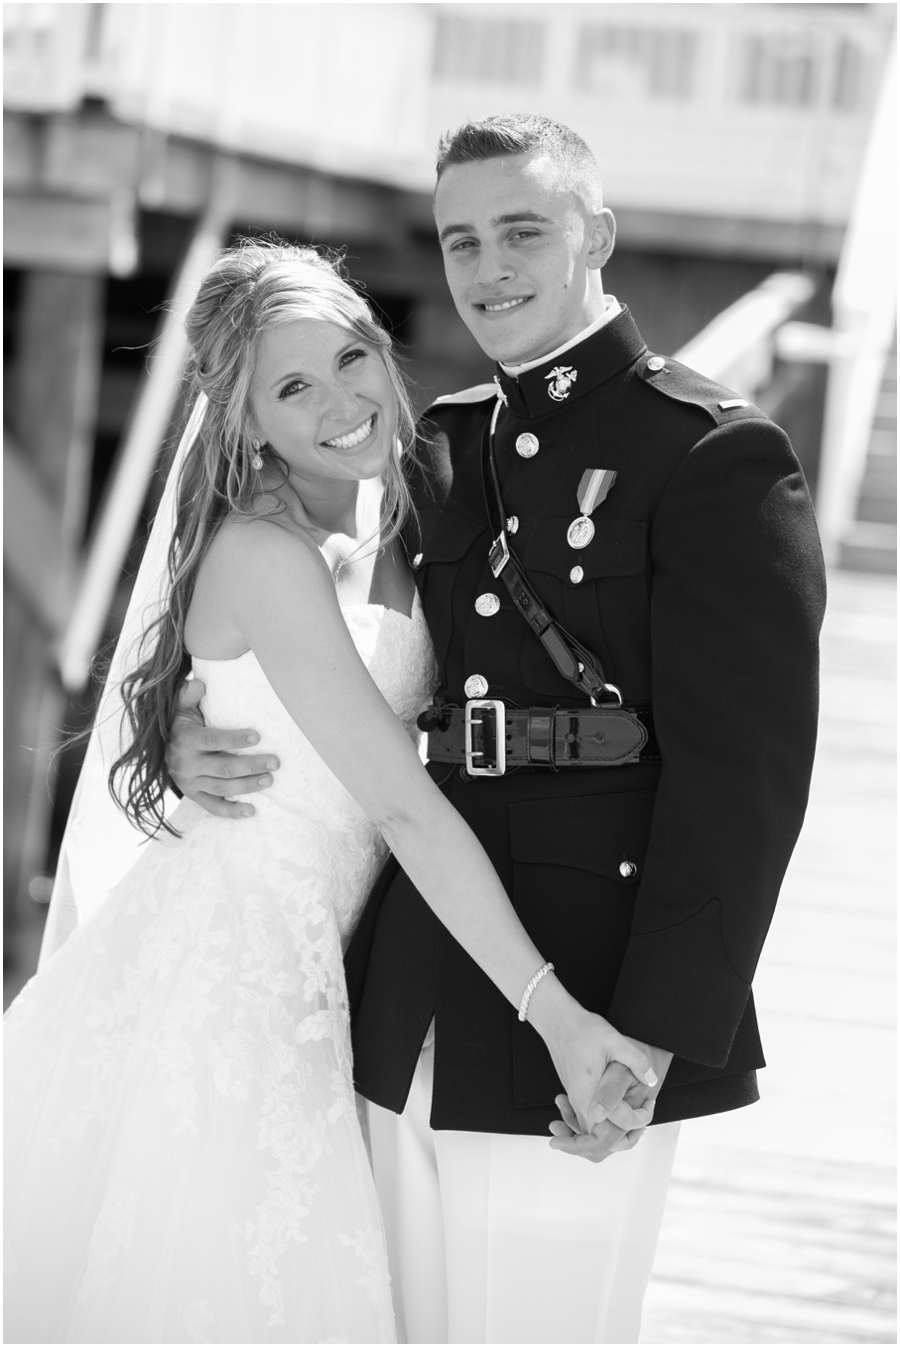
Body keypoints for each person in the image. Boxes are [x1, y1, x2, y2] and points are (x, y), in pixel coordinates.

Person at [166, 118, 827, 1344]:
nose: (487, 266)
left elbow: (746, 789)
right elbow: (304, 622)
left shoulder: (714, 455)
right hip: (407, 981)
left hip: (593, 996)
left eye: (523, 229)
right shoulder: (441, 445)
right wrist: (184, 730)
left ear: (598, 238)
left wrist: (651, 1036)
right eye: (461, 239)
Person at [3, 240, 659, 1346]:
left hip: (321, 972)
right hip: (229, 983)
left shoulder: (405, 504)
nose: (343, 403)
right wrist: (557, 1015)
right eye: (293, 388)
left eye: (352, 359)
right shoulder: (266, 556)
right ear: (245, 420)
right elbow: (402, 807)